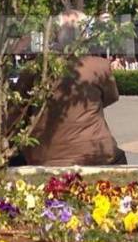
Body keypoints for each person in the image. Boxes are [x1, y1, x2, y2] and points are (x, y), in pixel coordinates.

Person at [18, 12, 126, 166]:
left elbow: (18, 108)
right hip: (97, 151)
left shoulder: (35, 68)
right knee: (119, 160)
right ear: (85, 36)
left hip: (43, 153)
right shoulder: (99, 66)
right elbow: (111, 97)